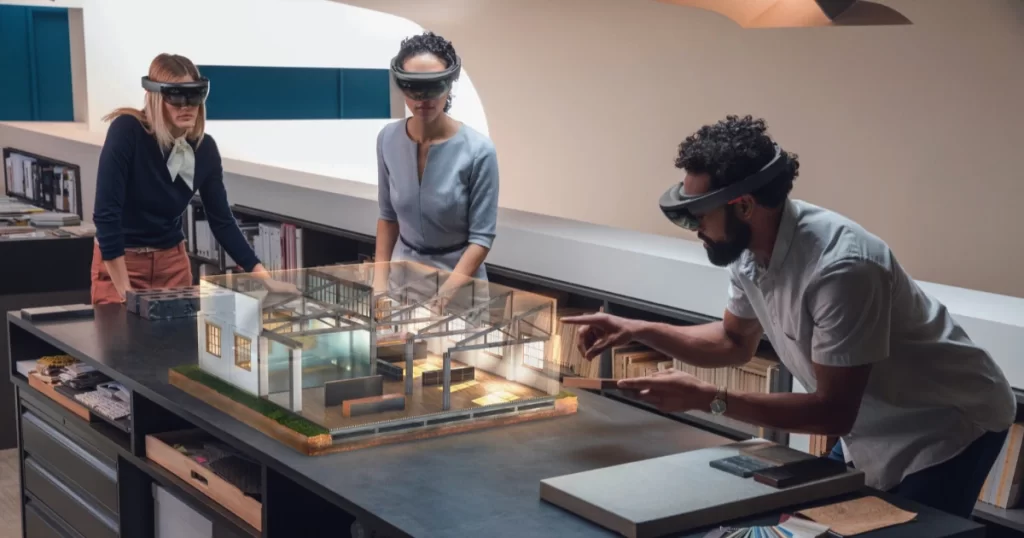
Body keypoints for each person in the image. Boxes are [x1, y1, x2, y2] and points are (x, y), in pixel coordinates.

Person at [565, 115, 1015, 518]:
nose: (694, 228)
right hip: (872, 421)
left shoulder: (842, 268)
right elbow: (732, 341)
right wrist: (635, 329)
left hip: (948, 423)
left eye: (698, 215)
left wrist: (709, 399)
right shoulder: (747, 250)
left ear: (743, 206)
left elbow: (832, 412)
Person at [92, 53, 288, 304]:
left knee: (176, 342)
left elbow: (222, 222)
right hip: (121, 264)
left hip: (172, 265)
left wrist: (266, 280)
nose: (186, 105)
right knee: (121, 339)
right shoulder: (127, 131)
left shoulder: (204, 149)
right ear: (156, 96)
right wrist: (126, 292)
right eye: (176, 95)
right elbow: (106, 215)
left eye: (194, 95)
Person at [374, 31, 499, 306]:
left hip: (459, 286)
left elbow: (482, 238)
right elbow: (387, 217)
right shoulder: (387, 139)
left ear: (449, 84)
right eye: (412, 88)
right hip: (402, 282)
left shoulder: (479, 151)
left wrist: (446, 295)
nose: (422, 99)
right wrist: (379, 285)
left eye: (433, 87)